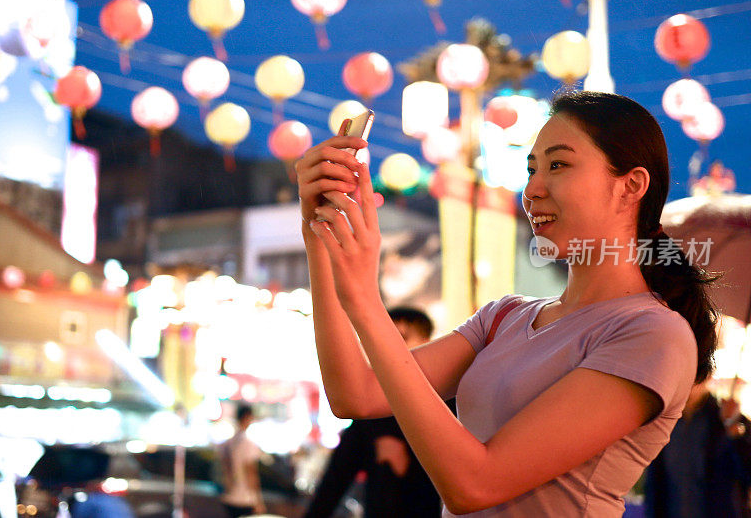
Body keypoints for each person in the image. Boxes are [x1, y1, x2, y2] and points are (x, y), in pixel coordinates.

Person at [294, 91, 720, 516]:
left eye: (558, 165)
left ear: (631, 186)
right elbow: (357, 393)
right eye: (531, 169)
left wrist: (365, 301)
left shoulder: (652, 333)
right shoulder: (506, 317)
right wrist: (319, 236)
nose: (532, 190)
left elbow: (474, 485)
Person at [304, 307, 454, 518]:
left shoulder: (451, 400)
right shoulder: (371, 412)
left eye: (402, 337)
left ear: (427, 341)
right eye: (385, 339)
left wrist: (409, 462)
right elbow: (334, 482)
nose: (393, 348)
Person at [644, 380, 751, 517]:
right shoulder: (662, 421)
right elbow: (655, 484)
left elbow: (746, 471)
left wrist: (732, 427)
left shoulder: (726, 419)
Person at [219, 403, 265, 518]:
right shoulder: (247, 443)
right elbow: (251, 472)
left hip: (229, 496)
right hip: (245, 499)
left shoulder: (229, 442)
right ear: (247, 417)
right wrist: (258, 501)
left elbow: (225, 468)